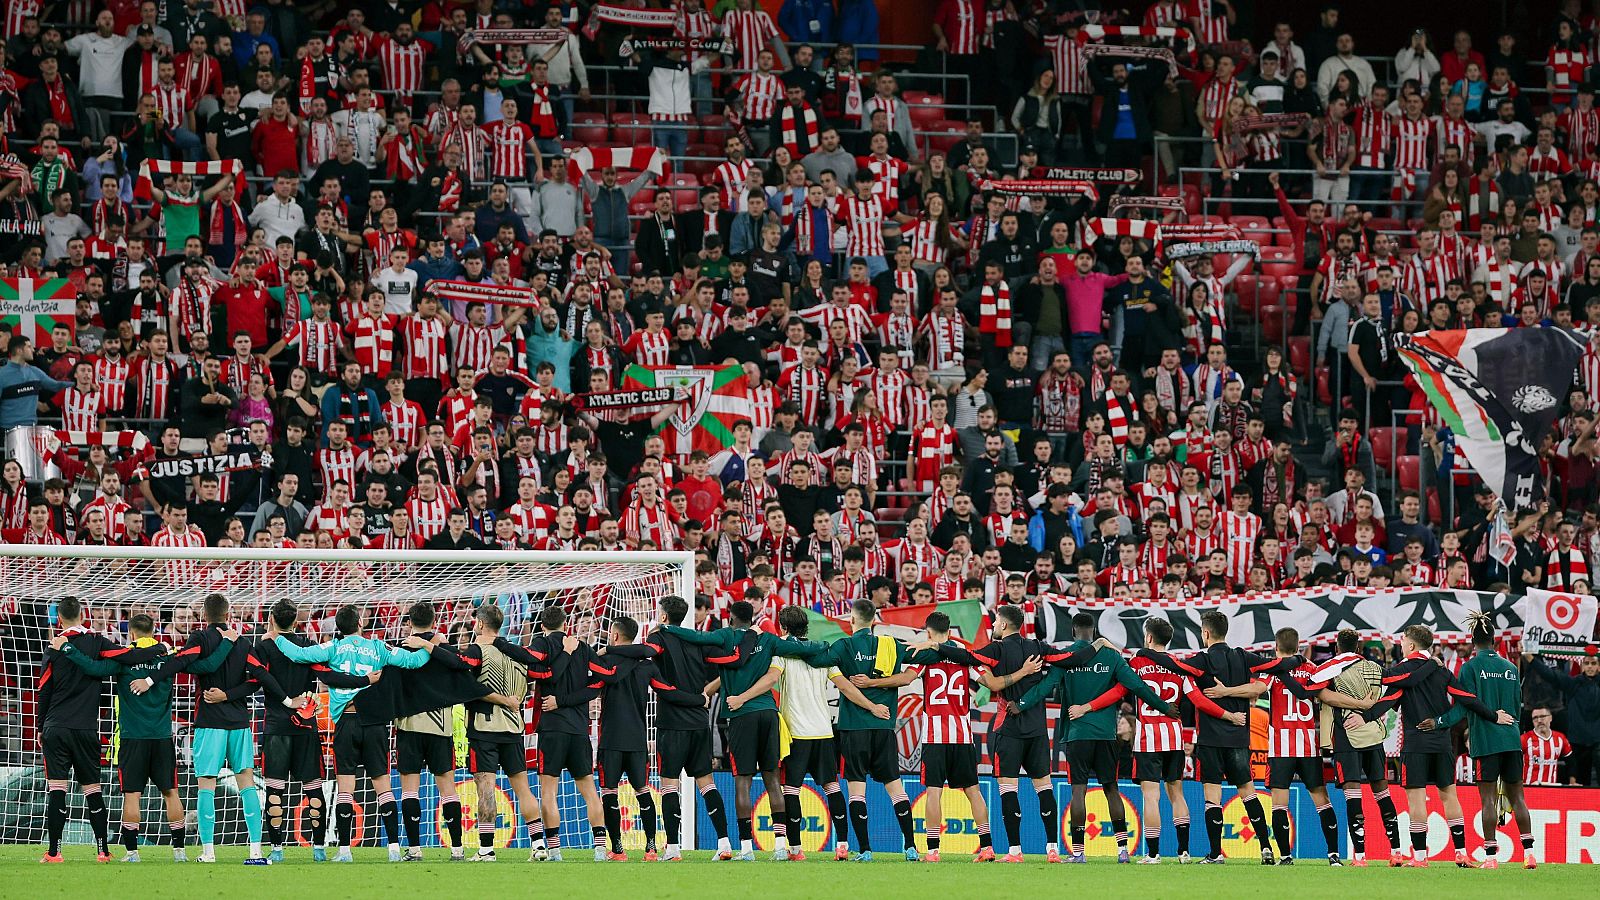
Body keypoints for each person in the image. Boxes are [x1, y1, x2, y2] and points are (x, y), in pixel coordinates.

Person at [133, 592, 296, 865]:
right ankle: (256, 851)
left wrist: (149, 680)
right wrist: (287, 700)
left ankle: (208, 852)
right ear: (229, 613)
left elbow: (179, 662)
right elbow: (259, 679)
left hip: (209, 722)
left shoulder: (200, 639)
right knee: (246, 783)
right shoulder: (242, 642)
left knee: (206, 786)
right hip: (239, 723)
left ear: (204, 616)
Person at [270, 603, 432, 862]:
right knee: (383, 786)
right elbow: (412, 662)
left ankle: (344, 851)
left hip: (345, 722)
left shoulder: (332, 647)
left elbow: (299, 654)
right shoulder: (378, 647)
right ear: (360, 623)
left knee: (346, 786)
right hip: (375, 723)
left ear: (339, 627)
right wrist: (429, 645)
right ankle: (393, 849)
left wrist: (275, 636)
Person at [1139, 609, 1303, 864]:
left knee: (1212, 797)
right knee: (1248, 792)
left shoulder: (1200, 660)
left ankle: (1216, 854)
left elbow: (1173, 664)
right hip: (1239, 736)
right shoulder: (1242, 655)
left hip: (1210, 738)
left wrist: (1144, 652)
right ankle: (1265, 848)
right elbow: (1275, 664)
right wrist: (1298, 660)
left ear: (1205, 633)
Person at [1345, 624, 1513, 868]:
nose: (1401, 644)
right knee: (1449, 797)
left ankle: (1421, 858)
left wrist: (1365, 717)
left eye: (1402, 640)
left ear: (1411, 645)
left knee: (1416, 801)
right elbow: (1466, 698)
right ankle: (1461, 852)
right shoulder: (1442, 671)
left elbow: (1388, 700)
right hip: (1443, 742)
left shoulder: (1402, 671)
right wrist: (1493, 715)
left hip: (1415, 744)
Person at [1011, 612, 1173, 863]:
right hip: (1107, 734)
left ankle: (1078, 853)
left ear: (1073, 632)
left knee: (1078, 791)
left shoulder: (1066, 658)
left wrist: (1020, 704)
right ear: (1094, 631)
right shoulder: (1111, 656)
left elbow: (1044, 688)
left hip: (1077, 733)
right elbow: (1138, 685)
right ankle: (1122, 851)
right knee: (1111, 788)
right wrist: (1164, 707)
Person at [38, 596, 167, 863]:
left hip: (56, 726)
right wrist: (157, 650)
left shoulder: (53, 647)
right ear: (83, 615)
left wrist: (40, 727)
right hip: (86, 729)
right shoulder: (97, 642)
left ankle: (54, 852)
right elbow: (127, 656)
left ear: (59, 619)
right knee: (93, 790)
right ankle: (102, 850)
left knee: (57, 789)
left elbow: (44, 690)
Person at [1428, 612, 1538, 868]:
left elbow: (1464, 706)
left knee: (1487, 800)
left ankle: (1490, 857)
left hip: (1486, 741)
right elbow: (1517, 708)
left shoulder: (1470, 667)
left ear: (1473, 640)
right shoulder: (1510, 668)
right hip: (1511, 739)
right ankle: (1529, 854)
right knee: (1518, 798)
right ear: (1495, 639)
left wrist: (1439, 722)